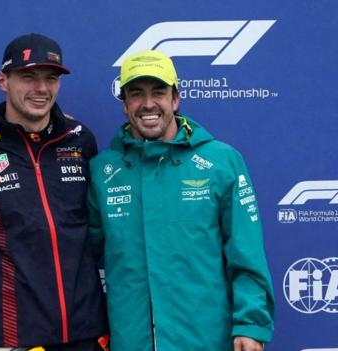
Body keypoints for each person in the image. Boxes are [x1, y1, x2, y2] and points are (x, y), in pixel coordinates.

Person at [86, 49, 274, 351]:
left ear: (175, 98)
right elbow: (77, 254)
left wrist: (251, 324)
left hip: (206, 341)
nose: (148, 104)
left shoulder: (221, 162)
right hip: (132, 341)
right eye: (136, 94)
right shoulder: (104, 170)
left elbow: (245, 253)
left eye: (158, 92)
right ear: (124, 104)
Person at [0, 33, 108, 351]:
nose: (41, 89)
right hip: (11, 335)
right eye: (28, 77)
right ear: (3, 80)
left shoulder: (81, 140)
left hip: (85, 330)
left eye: (50, 78)